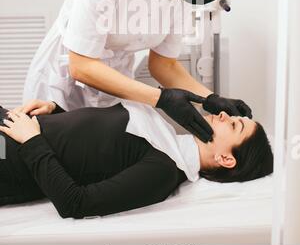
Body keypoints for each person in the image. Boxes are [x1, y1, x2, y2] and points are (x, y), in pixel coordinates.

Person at [22, 0, 254, 143]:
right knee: (48, 159)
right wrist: (161, 99)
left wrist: (210, 99)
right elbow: (80, 65)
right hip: (61, 82)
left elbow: (163, 65)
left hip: (115, 82)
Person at [0, 99, 273, 219]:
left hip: (9, 157)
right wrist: (56, 112)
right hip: (13, 125)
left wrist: (33, 141)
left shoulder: (163, 171)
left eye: (234, 126)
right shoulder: (167, 139)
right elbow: (93, 148)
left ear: (226, 159)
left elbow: (75, 203)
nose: (224, 115)